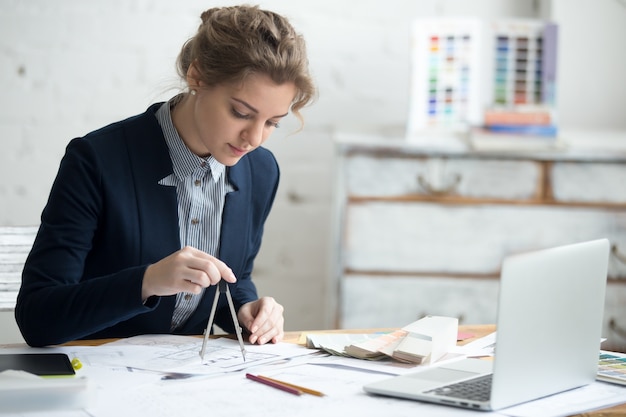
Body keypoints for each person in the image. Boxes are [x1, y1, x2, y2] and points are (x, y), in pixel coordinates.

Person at [15, 5, 316, 347]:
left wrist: (247, 307)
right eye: (241, 113)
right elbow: (37, 317)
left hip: (191, 383)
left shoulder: (261, 171)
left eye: (273, 122)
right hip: (96, 377)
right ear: (197, 76)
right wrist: (147, 281)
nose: (255, 138)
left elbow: (234, 277)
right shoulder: (95, 160)